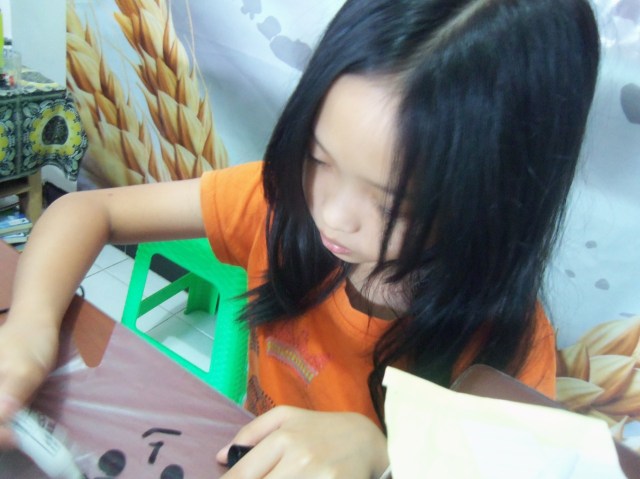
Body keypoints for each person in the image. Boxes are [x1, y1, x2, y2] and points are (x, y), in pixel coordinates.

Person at [0, 0, 600, 477]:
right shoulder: (279, 205)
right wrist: (28, 328)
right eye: (317, 157)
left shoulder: (507, 348)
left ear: (496, 199)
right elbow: (87, 210)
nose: (331, 216)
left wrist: (386, 456)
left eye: (391, 204)